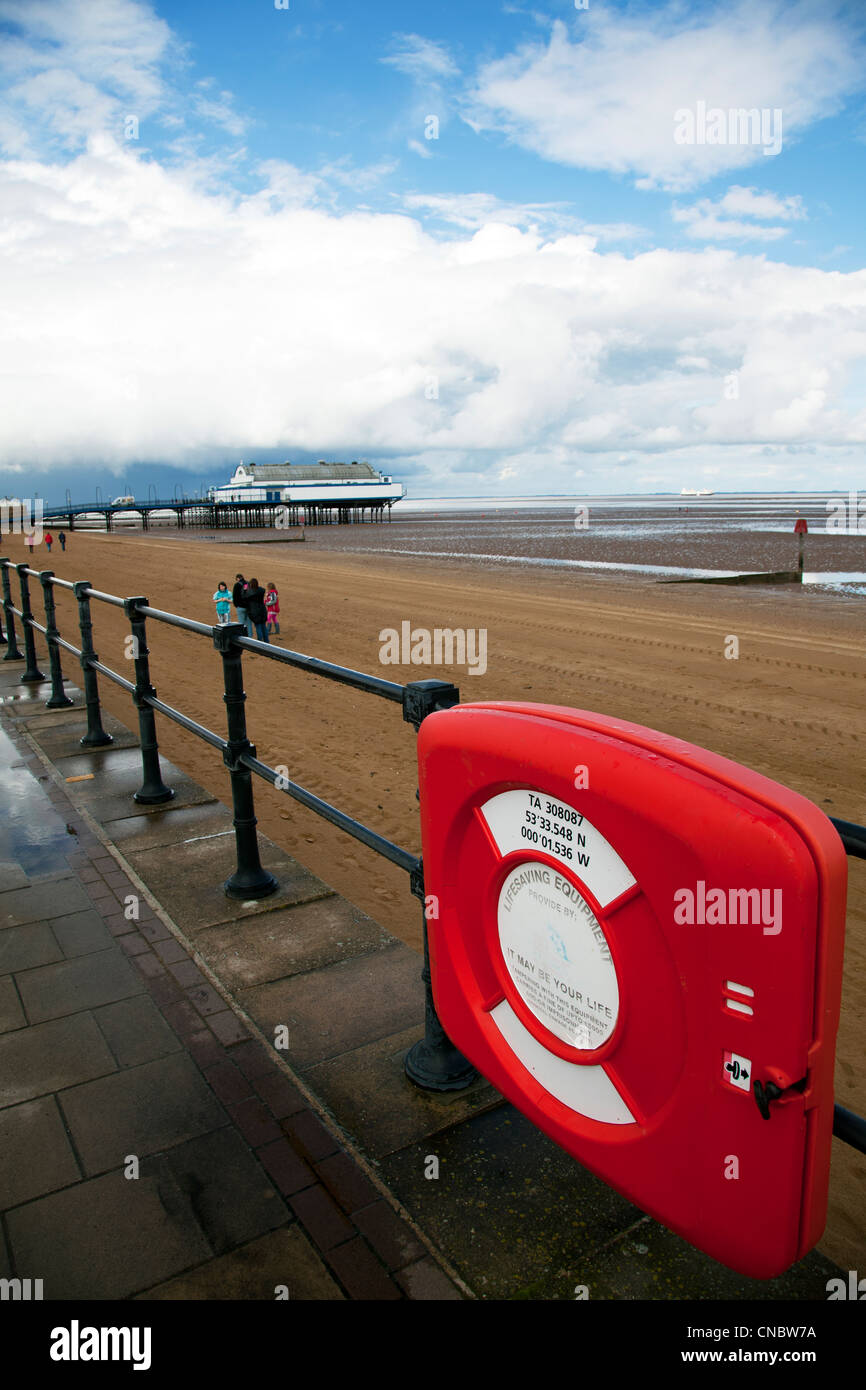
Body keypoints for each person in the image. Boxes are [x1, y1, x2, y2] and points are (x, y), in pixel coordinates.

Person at [244, 577, 269, 642]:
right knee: (263, 627)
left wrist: (245, 589)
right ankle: (266, 641)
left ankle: (260, 641)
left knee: (258, 627)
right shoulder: (261, 591)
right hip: (262, 610)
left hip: (255, 611)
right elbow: (262, 589)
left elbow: (245, 596)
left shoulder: (250, 593)